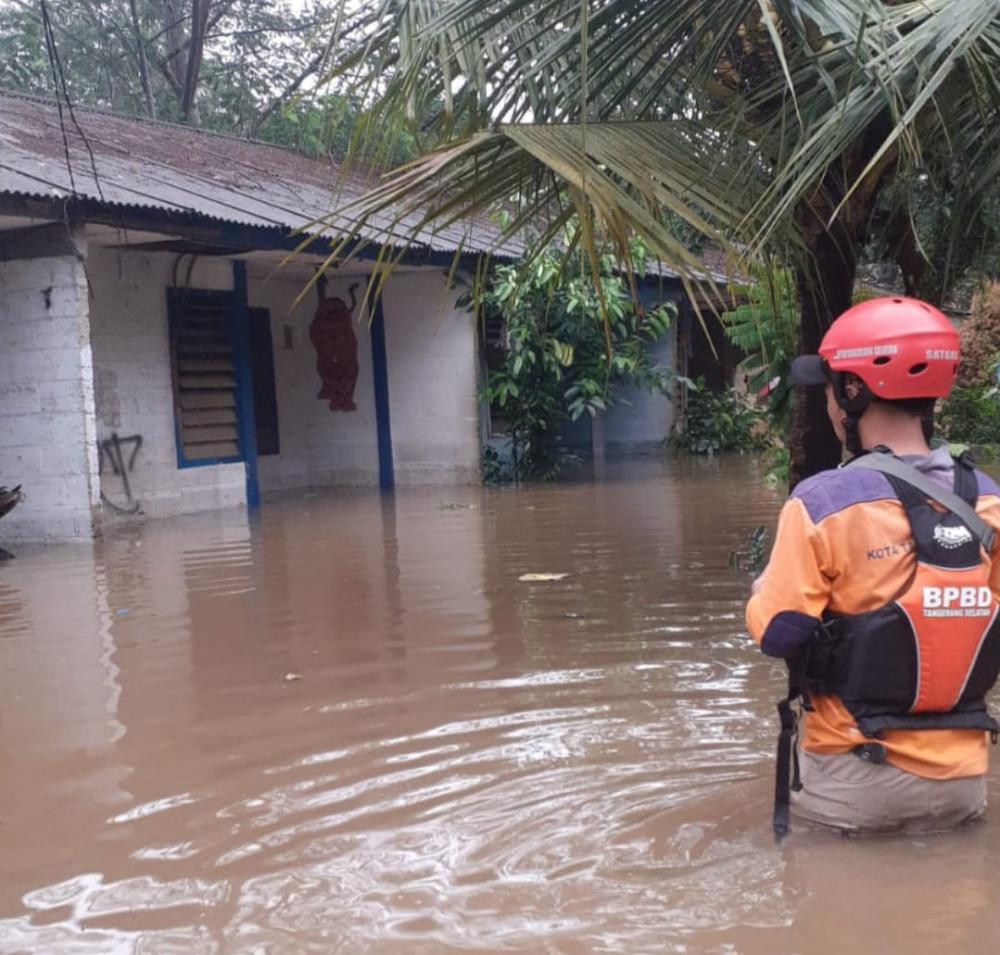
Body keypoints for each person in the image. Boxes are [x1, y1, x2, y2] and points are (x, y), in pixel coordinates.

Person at [746, 296, 1000, 837]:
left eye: (834, 386)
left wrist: (762, 589)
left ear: (852, 393)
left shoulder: (821, 503)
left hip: (854, 784)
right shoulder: (990, 502)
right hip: (964, 782)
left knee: (826, 913)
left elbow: (778, 632)